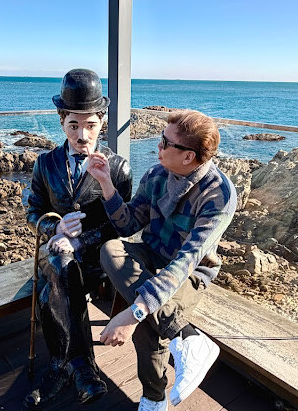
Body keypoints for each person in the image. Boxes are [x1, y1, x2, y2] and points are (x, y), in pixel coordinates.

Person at [87, 110, 237, 411]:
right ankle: (186, 336)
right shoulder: (156, 175)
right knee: (111, 249)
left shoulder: (219, 195)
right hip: (152, 253)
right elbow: (129, 225)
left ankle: (153, 399)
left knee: (146, 321)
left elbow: (186, 261)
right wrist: (105, 183)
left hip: (191, 273)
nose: (158, 145)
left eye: (166, 142)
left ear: (188, 156)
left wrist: (134, 314)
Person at [24, 69, 132, 409]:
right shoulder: (45, 164)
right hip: (56, 252)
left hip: (97, 258)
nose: (82, 135)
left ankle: (60, 365)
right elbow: (33, 212)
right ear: (61, 122)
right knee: (60, 264)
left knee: (52, 286)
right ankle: (84, 367)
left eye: (90, 125)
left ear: (102, 122)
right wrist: (54, 230)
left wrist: (81, 242)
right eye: (73, 126)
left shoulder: (118, 168)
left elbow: (121, 226)